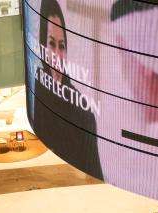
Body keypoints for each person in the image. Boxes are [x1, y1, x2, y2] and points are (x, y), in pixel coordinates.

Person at [31, 0, 103, 178]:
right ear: (42, 43)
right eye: (51, 44)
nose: (57, 56)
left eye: (62, 46)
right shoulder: (40, 83)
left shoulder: (84, 114)